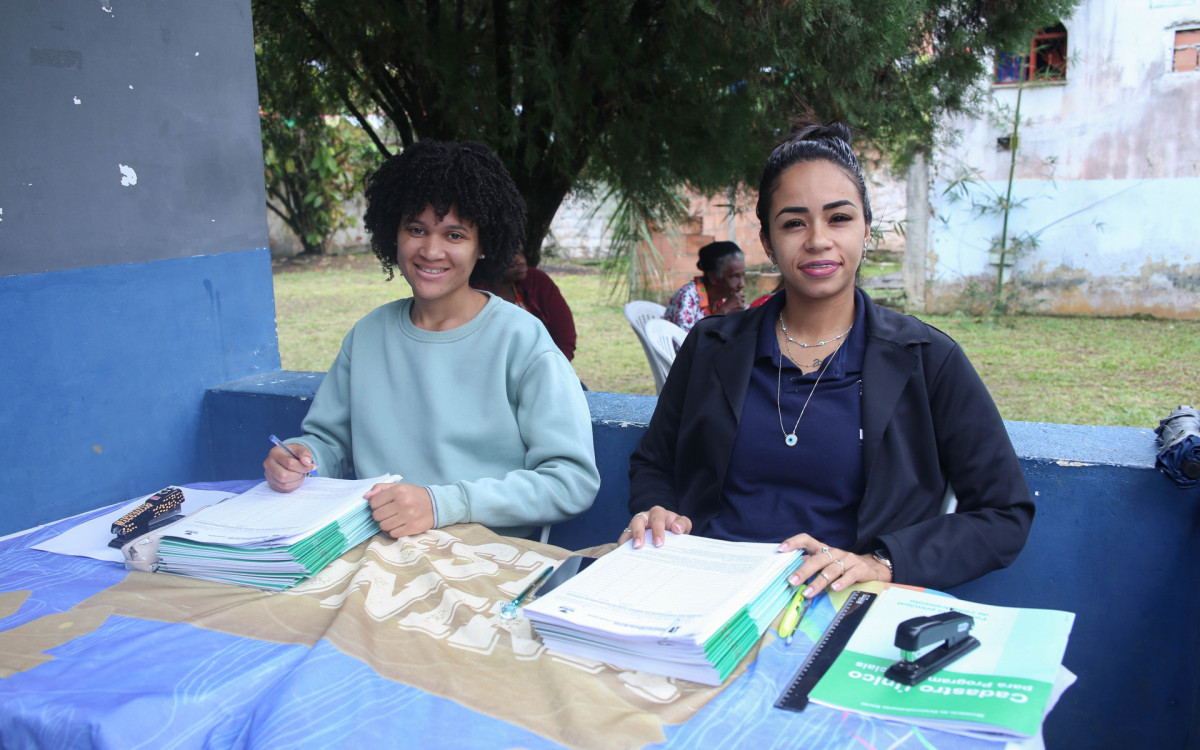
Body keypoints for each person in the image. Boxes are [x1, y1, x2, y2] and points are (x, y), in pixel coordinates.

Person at [620, 121, 1033, 597]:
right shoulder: (712, 347)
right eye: (794, 222)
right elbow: (654, 462)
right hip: (705, 592)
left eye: (839, 218)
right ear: (769, 242)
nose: (818, 239)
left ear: (866, 230)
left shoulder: (926, 359)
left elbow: (1004, 514)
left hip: (841, 600)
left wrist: (882, 563)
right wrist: (655, 508)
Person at [264, 140, 600, 540]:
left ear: (483, 246)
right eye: (416, 229)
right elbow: (330, 442)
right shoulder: (367, 336)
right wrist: (303, 458)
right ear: (394, 233)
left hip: (487, 562)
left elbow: (571, 481)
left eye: (455, 235)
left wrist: (442, 504)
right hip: (378, 552)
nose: (431, 250)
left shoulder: (522, 341)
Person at [478, 251, 578, 360]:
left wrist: (553, 370)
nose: (520, 260)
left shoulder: (536, 281)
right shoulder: (474, 293)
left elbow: (564, 336)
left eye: (520, 252)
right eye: (511, 254)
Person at [662, 240, 746, 332]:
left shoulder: (724, 298)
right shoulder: (687, 297)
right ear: (713, 277)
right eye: (735, 276)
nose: (742, 284)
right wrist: (723, 310)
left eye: (743, 275)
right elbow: (685, 343)